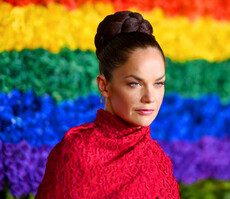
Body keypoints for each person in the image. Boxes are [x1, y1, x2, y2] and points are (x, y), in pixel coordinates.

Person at [35, 11, 180, 198]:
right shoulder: (75, 152)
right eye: (135, 83)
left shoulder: (158, 162)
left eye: (158, 83)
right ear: (104, 86)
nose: (150, 97)